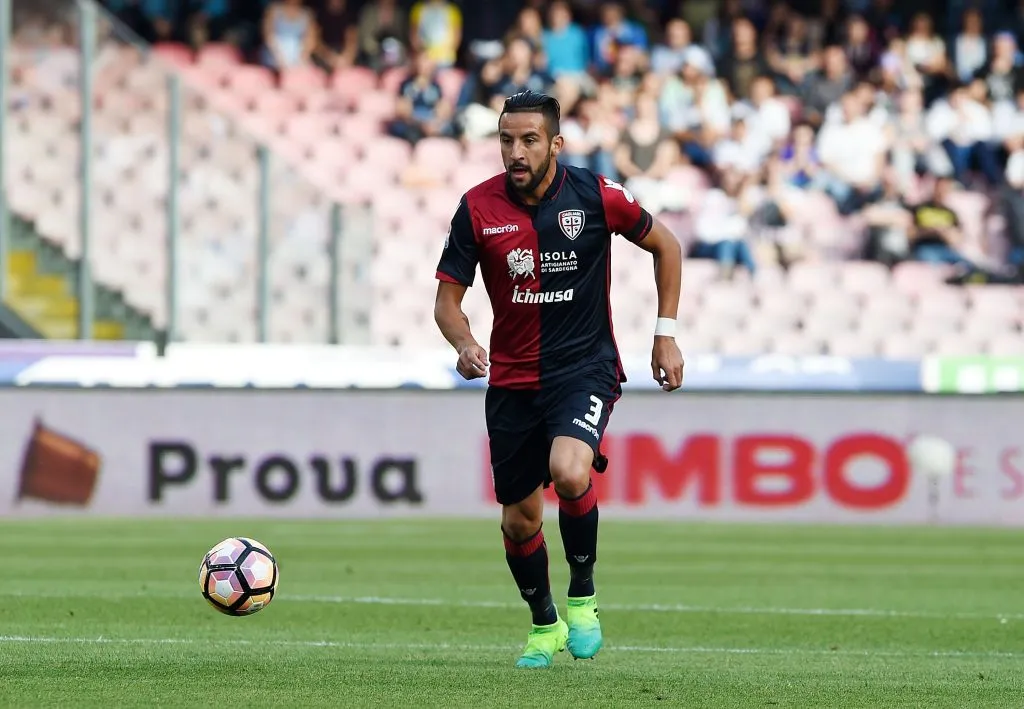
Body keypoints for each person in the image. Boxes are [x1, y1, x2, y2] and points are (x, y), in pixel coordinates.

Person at [433, 90, 685, 669]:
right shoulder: (476, 208)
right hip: (513, 380)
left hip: (583, 368)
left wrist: (664, 333)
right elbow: (448, 302)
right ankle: (543, 624)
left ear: (555, 144)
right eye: (505, 141)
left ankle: (584, 598)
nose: (515, 152)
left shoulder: (594, 196)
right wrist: (465, 342)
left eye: (528, 140)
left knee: (569, 470)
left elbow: (665, 245)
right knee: (520, 518)